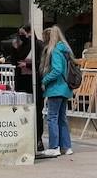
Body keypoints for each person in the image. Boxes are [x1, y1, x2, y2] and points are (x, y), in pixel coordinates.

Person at [9, 25, 46, 153]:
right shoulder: (21, 46)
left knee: (36, 112)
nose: (22, 37)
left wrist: (28, 64)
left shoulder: (38, 45)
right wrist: (14, 49)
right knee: (22, 111)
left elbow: (41, 63)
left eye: (23, 34)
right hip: (22, 82)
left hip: (35, 82)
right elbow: (14, 61)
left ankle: (38, 139)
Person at [40, 26, 76, 158]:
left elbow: (57, 70)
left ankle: (54, 146)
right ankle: (66, 147)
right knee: (62, 119)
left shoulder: (55, 51)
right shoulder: (65, 51)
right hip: (65, 88)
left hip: (56, 88)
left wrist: (45, 80)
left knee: (52, 118)